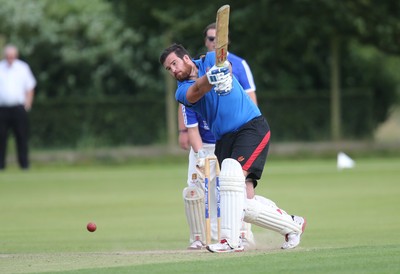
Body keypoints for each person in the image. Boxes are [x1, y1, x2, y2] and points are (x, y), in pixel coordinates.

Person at [160, 43, 306, 253]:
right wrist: (211, 79)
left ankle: (230, 240)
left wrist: (223, 72)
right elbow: (196, 91)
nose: (173, 70)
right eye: (168, 69)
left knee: (230, 174)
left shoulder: (210, 60)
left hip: (250, 126)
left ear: (185, 58)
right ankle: (293, 225)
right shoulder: (181, 91)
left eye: (174, 64)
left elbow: (226, 65)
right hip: (224, 139)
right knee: (237, 198)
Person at [0, 44, 36, 170]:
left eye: (12, 56)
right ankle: (1, 165)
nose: (10, 58)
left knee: (21, 136)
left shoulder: (23, 68)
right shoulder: (0, 68)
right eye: (8, 56)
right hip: (2, 109)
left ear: (16, 56)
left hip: (18, 108)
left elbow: (30, 87)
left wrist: (28, 104)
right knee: (1, 138)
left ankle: (24, 164)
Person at [203, 22, 257, 105]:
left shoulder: (240, 64)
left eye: (219, 38)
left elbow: (250, 96)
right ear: (205, 41)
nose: (215, 42)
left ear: (227, 40)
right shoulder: (198, 64)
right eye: (211, 39)